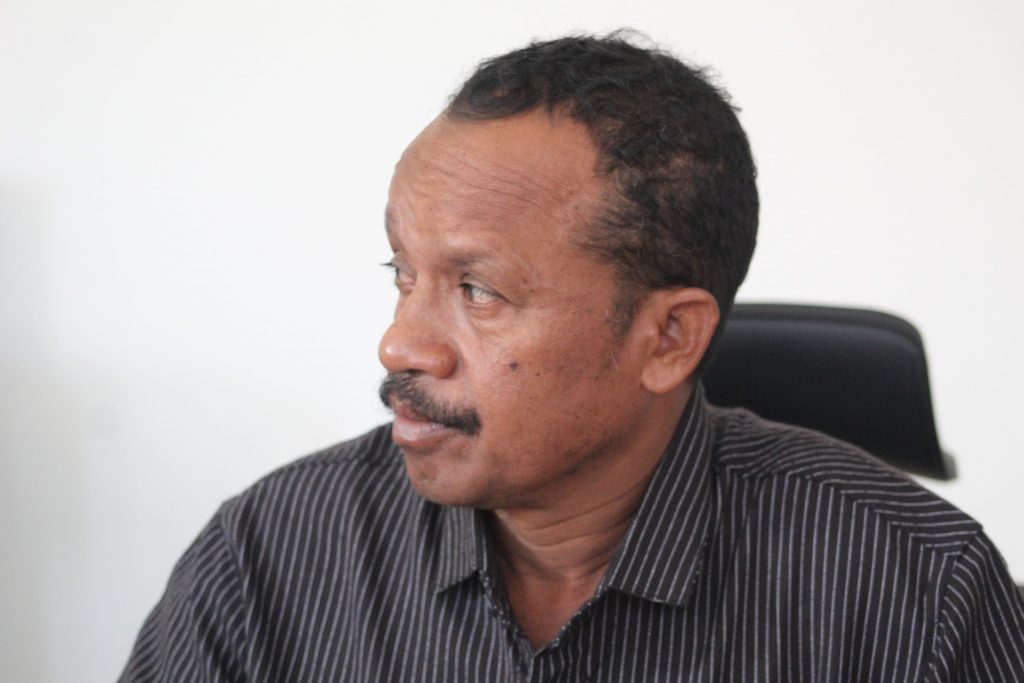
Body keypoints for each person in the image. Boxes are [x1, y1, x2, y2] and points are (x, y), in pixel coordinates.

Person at [120, 33, 1024, 682]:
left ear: (668, 338)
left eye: (479, 290)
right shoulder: (271, 554)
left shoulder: (919, 592)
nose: (399, 343)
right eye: (403, 273)